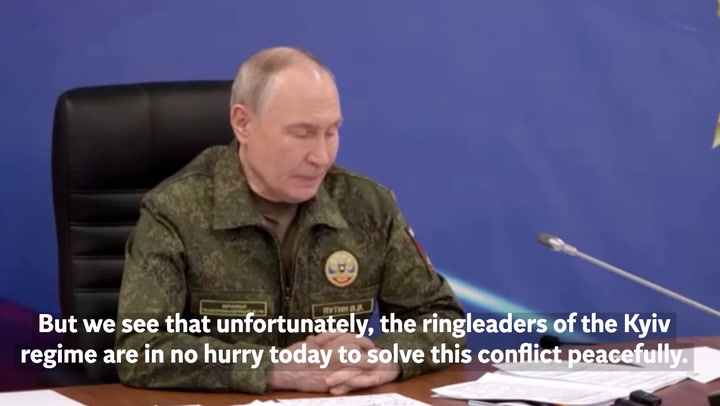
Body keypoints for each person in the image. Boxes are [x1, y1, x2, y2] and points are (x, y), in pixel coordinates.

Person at [115, 46, 465, 395]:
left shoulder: (367, 206)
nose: (321, 156)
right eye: (302, 133)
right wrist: (274, 368)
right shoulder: (175, 210)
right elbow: (141, 349)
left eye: (331, 132)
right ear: (243, 124)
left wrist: (386, 358)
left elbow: (442, 318)